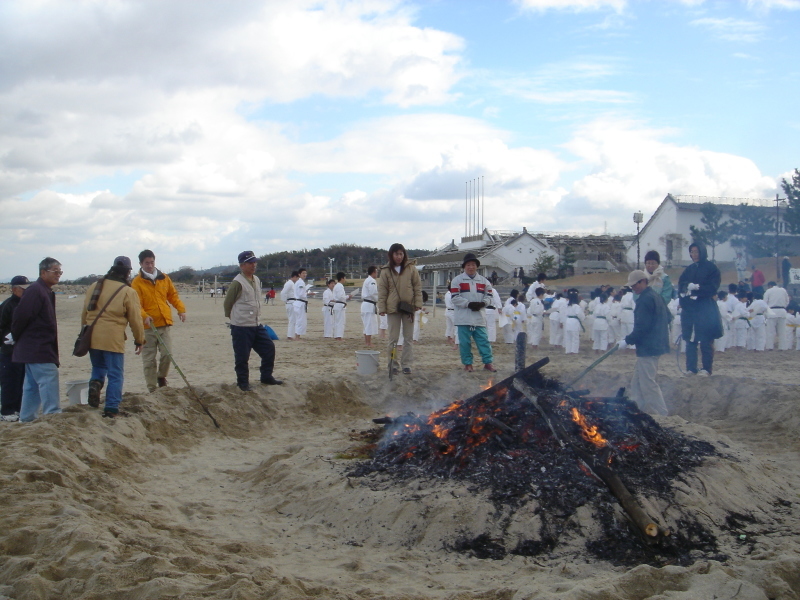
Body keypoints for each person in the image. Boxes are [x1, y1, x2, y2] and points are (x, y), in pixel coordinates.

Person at [82, 257, 146, 417]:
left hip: (92, 334)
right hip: (112, 337)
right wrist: (139, 340)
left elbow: (84, 313)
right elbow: (135, 319)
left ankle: (95, 383)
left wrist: (84, 332)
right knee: (115, 374)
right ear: (127, 272)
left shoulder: (94, 286)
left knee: (98, 367)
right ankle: (111, 407)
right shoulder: (127, 291)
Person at [11, 258, 63, 422]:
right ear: (43, 272)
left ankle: (26, 419)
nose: (58, 275)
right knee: (48, 378)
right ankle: (52, 415)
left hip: (35, 346)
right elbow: (21, 316)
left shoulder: (44, 290)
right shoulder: (36, 290)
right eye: (55, 271)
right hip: (37, 347)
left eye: (60, 272)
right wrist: (16, 336)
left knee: (32, 386)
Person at [223, 251, 283, 391]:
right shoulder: (237, 282)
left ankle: (266, 377)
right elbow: (228, 303)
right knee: (242, 357)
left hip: (256, 324)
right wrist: (235, 319)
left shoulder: (256, 279)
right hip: (241, 326)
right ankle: (243, 383)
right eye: (250, 263)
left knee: (269, 348)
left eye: (254, 262)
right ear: (242, 265)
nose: (253, 265)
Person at [131, 249, 186, 393]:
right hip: (148, 327)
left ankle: (161, 377)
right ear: (141, 264)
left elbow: (172, 295)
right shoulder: (137, 282)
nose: (150, 265)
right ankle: (152, 388)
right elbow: (136, 304)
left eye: (152, 262)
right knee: (149, 360)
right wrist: (144, 316)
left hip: (164, 323)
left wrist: (181, 309)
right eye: (146, 263)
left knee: (167, 354)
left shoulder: (164, 278)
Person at [617, 270, 670, 416]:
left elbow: (642, 327)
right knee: (637, 383)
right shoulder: (655, 296)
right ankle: (637, 411)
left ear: (643, 282)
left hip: (649, 347)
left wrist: (627, 341)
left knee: (648, 383)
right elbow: (668, 317)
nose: (633, 288)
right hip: (654, 344)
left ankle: (662, 414)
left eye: (635, 285)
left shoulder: (645, 300)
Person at [678, 242, 722, 375]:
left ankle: (706, 368)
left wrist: (698, 289)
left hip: (705, 308)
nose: (694, 255)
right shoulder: (689, 269)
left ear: (702, 252)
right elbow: (681, 285)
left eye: (696, 252)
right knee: (690, 340)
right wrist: (687, 289)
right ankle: (691, 368)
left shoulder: (711, 268)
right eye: (692, 252)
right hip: (690, 309)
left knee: (705, 339)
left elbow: (713, 287)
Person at [378, 243, 422, 375]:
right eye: (396, 254)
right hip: (392, 308)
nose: (399, 256)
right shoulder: (386, 270)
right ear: (391, 255)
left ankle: (407, 365)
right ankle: (393, 364)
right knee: (393, 339)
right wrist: (382, 307)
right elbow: (382, 291)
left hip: (408, 307)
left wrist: (418, 303)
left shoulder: (411, 268)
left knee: (408, 338)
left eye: (401, 254)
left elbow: (417, 287)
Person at [450, 253, 496, 372]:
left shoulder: (484, 281)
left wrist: (483, 304)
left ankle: (488, 363)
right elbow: (455, 298)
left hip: (479, 317)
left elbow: (490, 296)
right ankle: (468, 364)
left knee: (484, 341)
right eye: (468, 265)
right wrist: (468, 304)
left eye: (473, 264)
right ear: (464, 266)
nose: (471, 267)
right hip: (463, 318)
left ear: (477, 266)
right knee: (465, 343)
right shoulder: (457, 281)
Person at [1, 276, 31, 421]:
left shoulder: (25, 304)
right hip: (8, 350)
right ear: (14, 289)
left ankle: (18, 409)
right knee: (9, 381)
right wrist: (6, 339)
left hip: (22, 350)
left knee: (21, 380)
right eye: (23, 289)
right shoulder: (8, 305)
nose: (26, 292)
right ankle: (6, 411)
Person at [763, 281, 790, 350]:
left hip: (772, 311)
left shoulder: (768, 291)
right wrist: (783, 306)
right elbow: (787, 301)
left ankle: (769, 347)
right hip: (782, 311)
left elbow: (765, 302)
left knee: (770, 331)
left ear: (769, 285)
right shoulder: (783, 290)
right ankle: (783, 347)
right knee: (782, 331)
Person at [361, 266, 379, 347]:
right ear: (373, 272)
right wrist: (379, 298)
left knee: (366, 324)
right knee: (369, 324)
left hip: (366, 304)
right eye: (376, 272)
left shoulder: (367, 280)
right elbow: (373, 293)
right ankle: (368, 343)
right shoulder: (372, 281)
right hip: (369, 304)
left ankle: (367, 342)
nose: (377, 273)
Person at [280, 271, 299, 340]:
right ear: (294, 277)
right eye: (297, 278)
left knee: (294, 319)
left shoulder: (292, 283)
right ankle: (290, 335)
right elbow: (283, 293)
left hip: (292, 302)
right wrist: (286, 301)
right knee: (292, 319)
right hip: (290, 302)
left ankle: (291, 334)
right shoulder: (289, 283)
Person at [332, 272, 348, 340]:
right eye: (344, 278)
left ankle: (336, 335)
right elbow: (341, 297)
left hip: (337, 305)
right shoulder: (339, 286)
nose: (345, 279)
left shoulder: (337, 286)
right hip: (339, 304)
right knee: (340, 321)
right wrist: (348, 296)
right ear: (342, 278)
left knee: (337, 321)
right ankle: (339, 336)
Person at [293, 268, 309, 340]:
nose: (304, 274)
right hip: (300, 303)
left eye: (305, 273)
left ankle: (297, 335)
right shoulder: (300, 282)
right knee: (300, 320)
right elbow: (301, 294)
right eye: (303, 273)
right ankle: (297, 336)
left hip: (298, 303)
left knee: (299, 320)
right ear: (299, 274)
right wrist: (308, 293)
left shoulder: (299, 282)